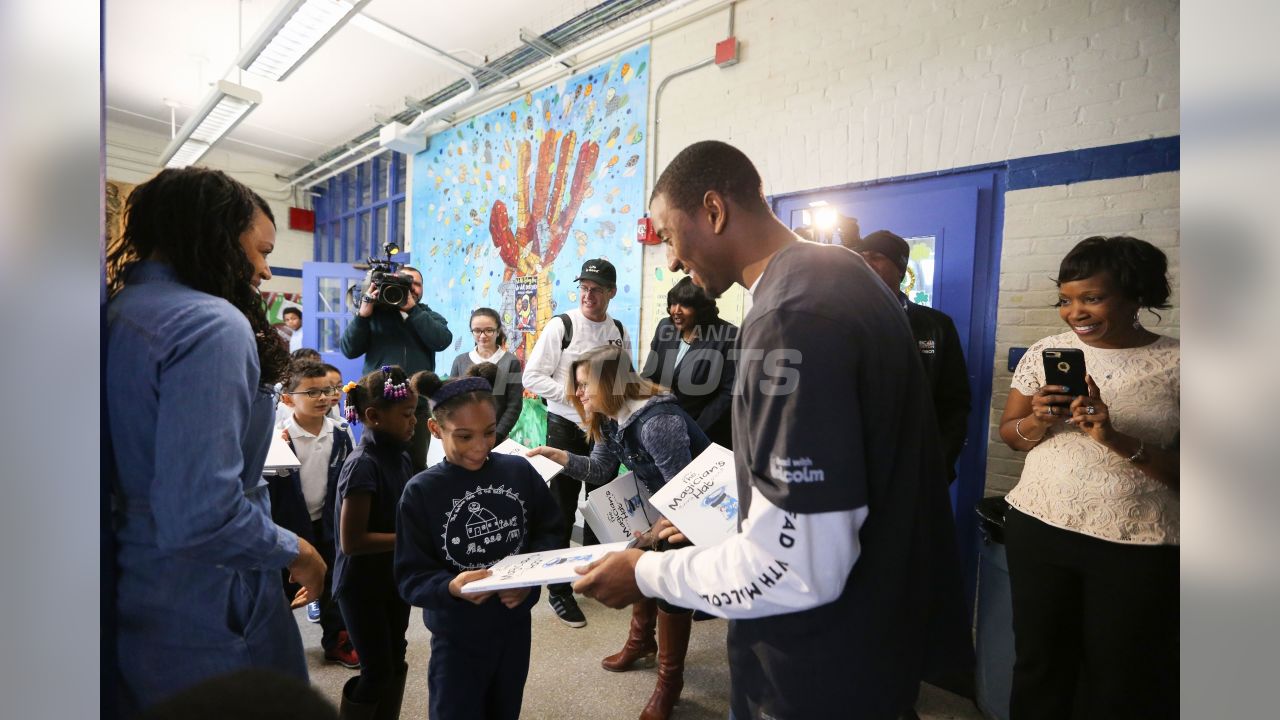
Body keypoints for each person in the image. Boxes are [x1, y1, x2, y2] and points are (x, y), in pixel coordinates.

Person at [571, 140, 963, 720]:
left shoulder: (790, 315)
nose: (672, 261)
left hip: (816, 667)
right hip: (873, 639)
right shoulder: (839, 276)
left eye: (668, 235)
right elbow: (840, 475)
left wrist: (648, 573)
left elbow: (796, 568)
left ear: (713, 210)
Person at [105, 167, 326, 712]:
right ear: (216, 234)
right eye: (260, 250)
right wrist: (297, 550)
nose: (264, 269)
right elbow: (204, 515)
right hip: (211, 590)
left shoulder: (120, 311)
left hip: (138, 579)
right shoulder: (209, 325)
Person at [996, 235, 1179, 719]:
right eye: (1065, 300)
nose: (1074, 312)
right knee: (1038, 665)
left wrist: (1113, 436)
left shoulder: (1182, 363)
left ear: (1136, 296)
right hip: (1038, 527)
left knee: (1121, 678)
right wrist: (1038, 419)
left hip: (1135, 543)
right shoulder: (1046, 351)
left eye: (1091, 298)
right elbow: (1011, 435)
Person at [527, 345, 710, 720]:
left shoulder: (658, 421)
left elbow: (686, 491)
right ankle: (641, 642)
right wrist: (559, 457)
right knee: (638, 556)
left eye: (584, 385)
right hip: (662, 507)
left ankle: (668, 683)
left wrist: (652, 534)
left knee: (669, 586)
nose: (578, 394)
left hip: (698, 509)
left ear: (610, 383)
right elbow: (599, 470)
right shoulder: (610, 417)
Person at [395, 374, 561, 720]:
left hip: (515, 629)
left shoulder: (519, 471)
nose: (480, 446)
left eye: (489, 432)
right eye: (464, 436)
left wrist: (529, 580)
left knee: (505, 708)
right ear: (435, 429)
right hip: (456, 639)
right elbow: (411, 576)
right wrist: (450, 587)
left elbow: (551, 531)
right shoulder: (421, 492)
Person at [522, 257, 632, 628]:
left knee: (601, 507)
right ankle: (559, 591)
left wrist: (613, 407)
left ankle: (590, 574)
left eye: (596, 289)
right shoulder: (562, 326)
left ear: (611, 293)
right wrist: (577, 397)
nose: (588, 295)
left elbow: (623, 375)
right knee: (562, 510)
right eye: (584, 287)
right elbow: (532, 376)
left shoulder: (617, 329)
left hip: (604, 428)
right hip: (565, 427)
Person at [332, 365, 418, 718]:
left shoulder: (400, 455)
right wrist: (411, 538)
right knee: (377, 671)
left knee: (395, 659)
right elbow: (352, 541)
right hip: (360, 586)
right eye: (407, 414)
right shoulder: (362, 464)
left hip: (392, 577)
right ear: (373, 416)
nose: (414, 422)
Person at [856, 229, 971, 482]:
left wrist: (939, 464)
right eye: (860, 257)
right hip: (853, 465)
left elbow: (954, 404)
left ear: (900, 267)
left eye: (875, 257)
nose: (865, 264)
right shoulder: (839, 320)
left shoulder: (936, 326)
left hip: (915, 466)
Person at [265, 361, 359, 669]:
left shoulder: (341, 433)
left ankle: (338, 639)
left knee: (335, 582)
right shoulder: (279, 439)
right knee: (283, 585)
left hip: (329, 524)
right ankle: (274, 645)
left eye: (328, 391)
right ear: (288, 398)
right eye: (312, 392)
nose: (323, 398)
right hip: (290, 526)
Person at [340, 265, 452, 473]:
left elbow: (441, 340)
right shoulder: (373, 316)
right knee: (375, 463)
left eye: (415, 284)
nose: (410, 288)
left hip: (416, 408)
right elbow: (349, 349)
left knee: (415, 465)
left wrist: (412, 310)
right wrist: (363, 315)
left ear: (422, 289)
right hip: (378, 404)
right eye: (405, 281)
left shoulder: (428, 316)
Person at [641, 276, 738, 448]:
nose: (675, 311)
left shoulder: (730, 336)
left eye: (684, 305)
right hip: (662, 429)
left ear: (701, 309)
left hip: (706, 435)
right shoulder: (665, 327)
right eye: (673, 303)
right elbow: (649, 375)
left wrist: (692, 432)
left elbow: (728, 395)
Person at [449, 307, 524, 444]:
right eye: (477, 331)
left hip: (497, 439)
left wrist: (497, 436)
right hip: (464, 439)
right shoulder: (460, 361)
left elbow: (514, 405)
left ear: (498, 330)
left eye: (489, 330)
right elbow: (450, 401)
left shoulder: (511, 362)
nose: (483, 336)